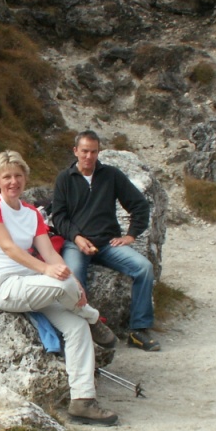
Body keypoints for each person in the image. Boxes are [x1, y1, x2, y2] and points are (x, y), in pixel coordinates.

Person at [0, 150, 119, 426]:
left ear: (25, 178)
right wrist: (48, 271)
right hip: (4, 286)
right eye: (7, 177)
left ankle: (82, 401)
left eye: (18, 175)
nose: (13, 182)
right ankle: (93, 318)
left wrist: (73, 280)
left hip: (32, 285)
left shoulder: (31, 213)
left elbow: (50, 253)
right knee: (64, 286)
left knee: (76, 326)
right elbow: (9, 248)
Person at [51, 131, 160, 352]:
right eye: (84, 151)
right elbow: (59, 217)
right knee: (72, 280)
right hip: (76, 244)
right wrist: (77, 237)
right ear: (75, 151)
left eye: (93, 152)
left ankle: (139, 330)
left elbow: (139, 205)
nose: (89, 156)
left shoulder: (111, 175)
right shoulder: (65, 178)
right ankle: (81, 333)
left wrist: (131, 235)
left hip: (108, 243)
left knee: (144, 268)